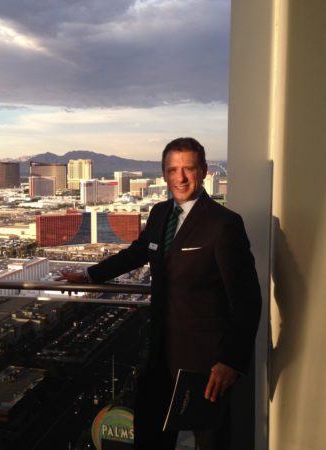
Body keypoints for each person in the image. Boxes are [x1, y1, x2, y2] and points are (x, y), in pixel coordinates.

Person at [60, 137, 261, 450]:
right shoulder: (159, 213)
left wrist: (230, 361)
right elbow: (137, 253)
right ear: (164, 173)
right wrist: (88, 274)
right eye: (173, 170)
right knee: (151, 436)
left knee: (210, 442)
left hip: (206, 362)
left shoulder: (223, 224)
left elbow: (247, 299)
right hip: (159, 353)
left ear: (204, 171)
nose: (180, 177)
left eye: (188, 169)